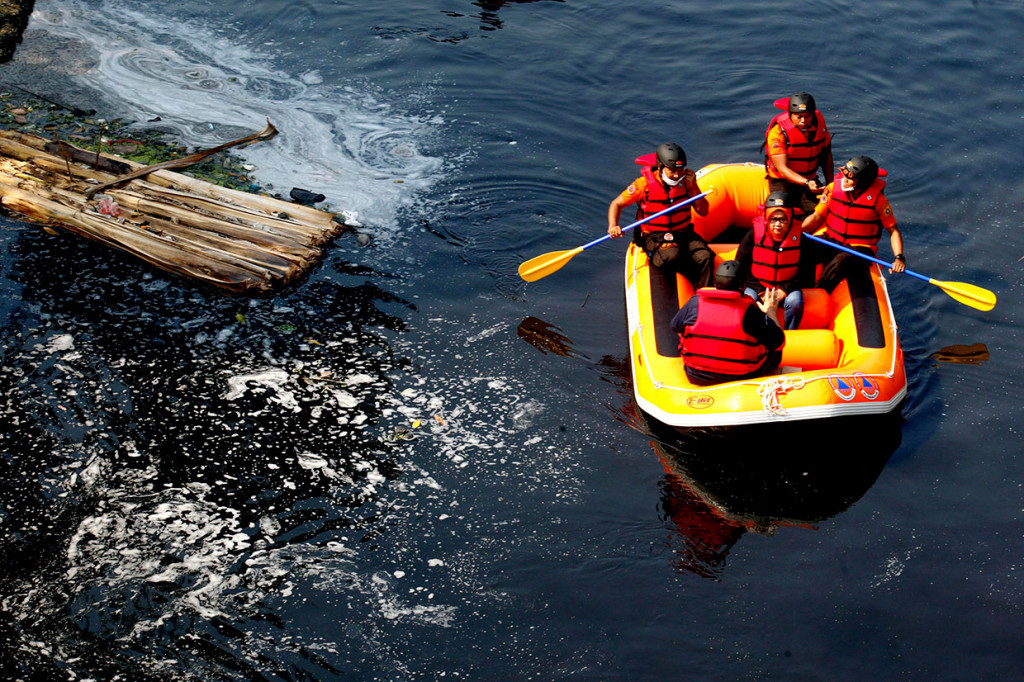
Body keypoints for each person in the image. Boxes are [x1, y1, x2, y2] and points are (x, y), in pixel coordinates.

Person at [608, 142, 713, 289]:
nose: (677, 175)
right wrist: (613, 225)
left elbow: (703, 211)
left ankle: (703, 292)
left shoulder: (687, 183)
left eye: (680, 169)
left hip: (683, 233)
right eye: (672, 170)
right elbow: (616, 204)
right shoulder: (642, 185)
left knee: (705, 257)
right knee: (671, 254)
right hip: (653, 235)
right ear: (660, 167)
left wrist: (694, 187)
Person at [671, 260, 786, 386]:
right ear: (743, 287)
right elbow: (779, 343)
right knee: (774, 345)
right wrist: (770, 312)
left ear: (715, 283)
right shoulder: (749, 311)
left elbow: (675, 327)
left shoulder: (695, 303)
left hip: (695, 375)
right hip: (740, 378)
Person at [801, 155, 905, 292]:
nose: (844, 179)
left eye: (850, 177)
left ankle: (819, 292)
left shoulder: (879, 201)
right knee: (802, 246)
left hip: (861, 247)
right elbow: (817, 216)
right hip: (833, 239)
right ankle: (799, 287)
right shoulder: (832, 189)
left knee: (842, 259)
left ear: (862, 182)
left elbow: (894, 231)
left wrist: (899, 258)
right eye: (845, 174)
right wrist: (797, 232)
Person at [735, 191, 809, 329]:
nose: (777, 224)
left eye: (782, 219)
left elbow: (805, 272)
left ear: (790, 219)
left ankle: (789, 334)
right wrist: (760, 291)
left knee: (795, 303)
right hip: (757, 286)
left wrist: (784, 290)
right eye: (773, 219)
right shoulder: (752, 236)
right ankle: (755, 336)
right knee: (746, 303)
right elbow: (741, 265)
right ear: (766, 219)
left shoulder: (800, 239)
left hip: (787, 287)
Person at [764, 91, 834, 216]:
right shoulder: (778, 132)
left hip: (810, 177)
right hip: (782, 180)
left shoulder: (819, 122)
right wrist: (806, 183)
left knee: (820, 211)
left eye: (807, 116)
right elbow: (783, 169)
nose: (803, 121)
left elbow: (826, 156)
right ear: (790, 114)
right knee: (783, 213)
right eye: (798, 116)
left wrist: (830, 184)